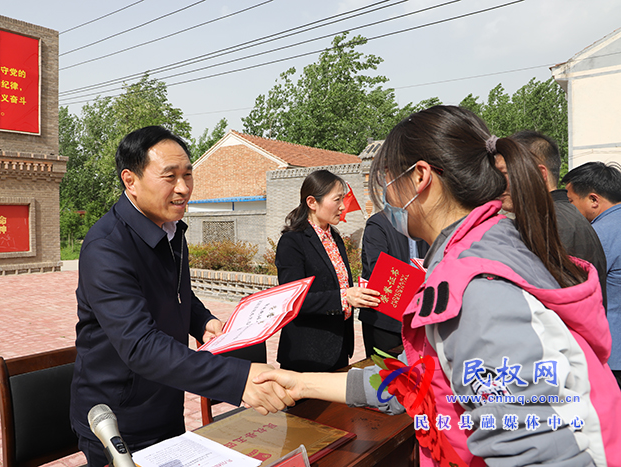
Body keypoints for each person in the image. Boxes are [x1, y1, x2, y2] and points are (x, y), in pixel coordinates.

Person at [257, 106, 621, 465]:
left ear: (420, 177)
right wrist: (300, 383)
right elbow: (417, 381)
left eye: (387, 184)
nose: (387, 200)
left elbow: (541, 452)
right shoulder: (483, 250)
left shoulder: (479, 290)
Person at [70, 126, 292, 467]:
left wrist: (203, 321)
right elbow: (140, 345)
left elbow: (176, 293)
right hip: (117, 417)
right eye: (169, 177)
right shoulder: (107, 247)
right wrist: (237, 380)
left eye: (188, 175)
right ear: (130, 180)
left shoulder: (170, 230)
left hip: (165, 401)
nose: (183, 188)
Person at [274, 170, 381, 372]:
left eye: (344, 199)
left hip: (339, 346)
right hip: (307, 353)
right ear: (312, 202)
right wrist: (345, 297)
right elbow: (293, 299)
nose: (343, 207)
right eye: (337, 199)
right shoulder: (292, 242)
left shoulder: (335, 237)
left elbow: (338, 284)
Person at [500, 131, 607, 309]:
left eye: (506, 173)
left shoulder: (549, 221)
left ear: (540, 173)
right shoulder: (562, 214)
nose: (498, 183)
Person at [562, 161, 621, 387]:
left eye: (570, 202)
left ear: (594, 200)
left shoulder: (596, 235)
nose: (569, 209)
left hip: (612, 355)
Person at [359, 211, 428, 357]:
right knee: (385, 374)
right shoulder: (378, 223)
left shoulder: (421, 224)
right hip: (384, 319)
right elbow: (379, 269)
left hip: (415, 316)